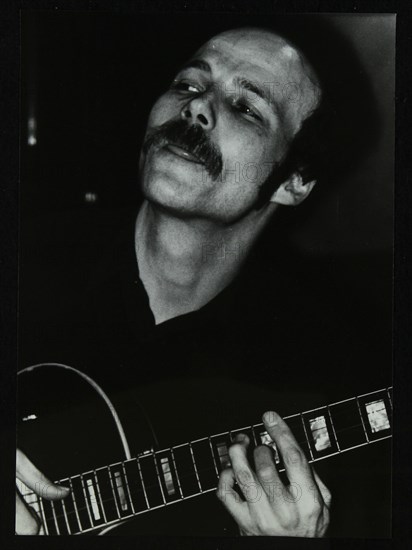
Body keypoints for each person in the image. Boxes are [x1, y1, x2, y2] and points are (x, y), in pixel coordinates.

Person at [16, 23, 391, 537]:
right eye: (189, 85)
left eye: (246, 108)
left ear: (294, 182)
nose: (195, 108)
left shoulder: (326, 373)